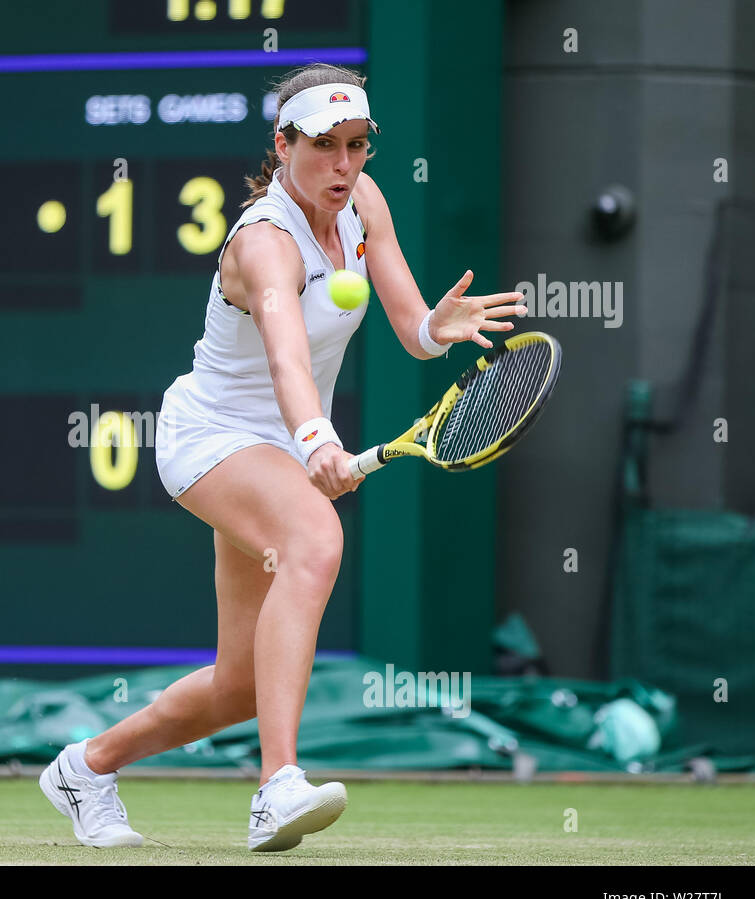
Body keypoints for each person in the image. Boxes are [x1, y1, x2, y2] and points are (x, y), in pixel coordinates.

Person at [40, 64, 525, 852]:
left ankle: (85, 768)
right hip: (211, 440)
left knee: (238, 685)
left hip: (282, 450)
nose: (344, 165)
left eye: (358, 146)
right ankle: (276, 786)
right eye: (326, 146)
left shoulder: (364, 202)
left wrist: (438, 327)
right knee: (315, 541)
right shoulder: (264, 243)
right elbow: (286, 361)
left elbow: (409, 328)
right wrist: (318, 444)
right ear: (284, 142)